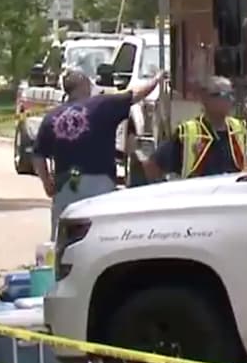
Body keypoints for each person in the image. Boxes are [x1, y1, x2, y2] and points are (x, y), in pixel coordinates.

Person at [33, 67, 164, 240]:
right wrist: (157, 79)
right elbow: (136, 94)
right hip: (98, 183)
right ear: (85, 85)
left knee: (63, 239)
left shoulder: (51, 118)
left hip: (66, 185)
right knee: (101, 236)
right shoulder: (101, 105)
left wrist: (47, 183)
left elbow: (38, 155)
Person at [141, 76, 247, 181]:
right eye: (224, 94)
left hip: (234, 196)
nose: (230, 99)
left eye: (232, 94)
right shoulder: (187, 133)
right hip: (199, 197)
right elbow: (153, 166)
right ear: (205, 99)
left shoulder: (239, 129)